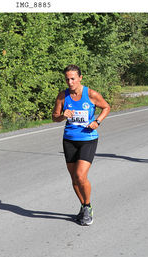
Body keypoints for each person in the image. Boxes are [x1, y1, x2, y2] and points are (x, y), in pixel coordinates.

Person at [52, 65, 110, 226]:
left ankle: (87, 205)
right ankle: (85, 206)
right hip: (69, 139)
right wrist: (62, 116)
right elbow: (54, 117)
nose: (70, 82)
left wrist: (97, 121)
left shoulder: (90, 94)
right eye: (67, 79)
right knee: (74, 179)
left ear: (80, 78)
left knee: (80, 175)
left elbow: (106, 107)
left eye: (73, 78)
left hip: (88, 139)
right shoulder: (63, 96)